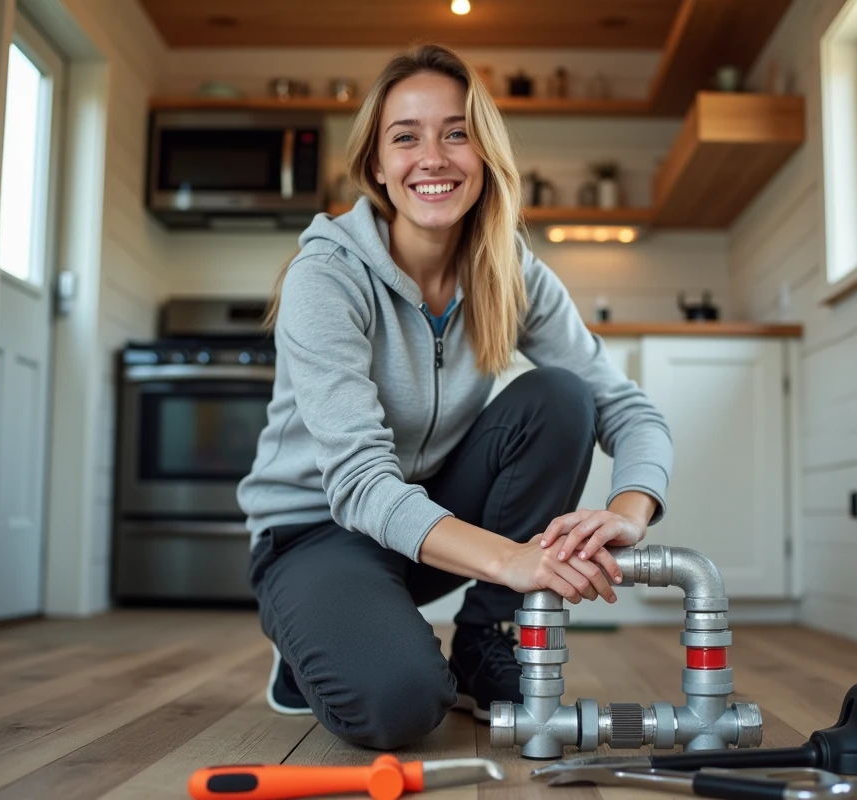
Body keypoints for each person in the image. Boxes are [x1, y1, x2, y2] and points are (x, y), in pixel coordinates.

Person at [238, 43, 673, 751]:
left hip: (427, 527)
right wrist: (514, 560)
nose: (433, 157)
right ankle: (311, 642)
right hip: (317, 535)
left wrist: (628, 512)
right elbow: (357, 483)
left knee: (561, 399)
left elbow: (626, 407)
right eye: (405, 136)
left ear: (485, 153)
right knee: (404, 705)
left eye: (456, 132)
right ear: (378, 166)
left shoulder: (511, 272)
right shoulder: (329, 277)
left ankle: (482, 640)